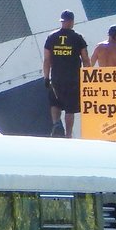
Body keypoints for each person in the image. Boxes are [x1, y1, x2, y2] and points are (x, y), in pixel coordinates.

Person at [42, 9, 90, 137]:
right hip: (73, 79)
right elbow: (85, 59)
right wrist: (89, 76)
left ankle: (56, 123)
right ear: (72, 22)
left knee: (55, 103)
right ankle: (68, 134)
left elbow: (47, 59)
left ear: (62, 21)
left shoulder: (51, 37)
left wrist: (46, 77)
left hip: (56, 78)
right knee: (70, 108)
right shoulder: (78, 38)